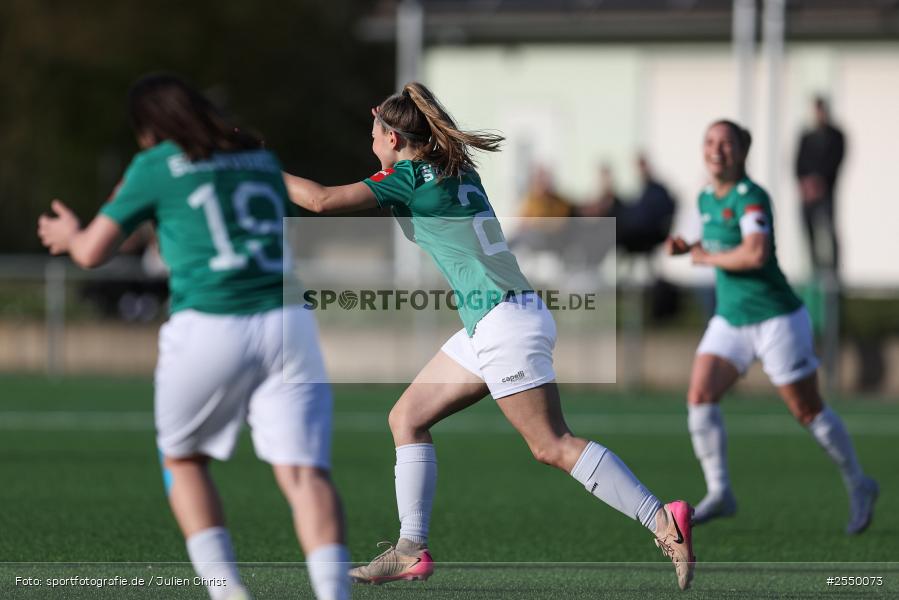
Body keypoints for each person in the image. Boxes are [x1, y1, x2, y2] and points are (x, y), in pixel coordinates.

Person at [283, 82, 696, 591]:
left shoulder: (408, 176)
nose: (370, 141)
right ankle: (410, 549)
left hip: (503, 322)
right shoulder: (457, 166)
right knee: (406, 418)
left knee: (551, 445)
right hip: (497, 319)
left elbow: (320, 202)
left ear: (392, 138)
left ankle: (661, 518)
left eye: (374, 132)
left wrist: (258, 172)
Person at [37, 74, 349, 600]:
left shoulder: (155, 165)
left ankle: (228, 593)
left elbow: (93, 252)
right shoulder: (257, 158)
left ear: (148, 128)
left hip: (210, 321)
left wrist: (69, 236)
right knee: (303, 473)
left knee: (183, 461)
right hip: (287, 323)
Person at [665, 119, 878, 534]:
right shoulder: (707, 198)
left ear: (742, 151)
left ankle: (859, 483)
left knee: (807, 410)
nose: (716, 150)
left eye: (726, 143)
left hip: (777, 319)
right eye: (710, 142)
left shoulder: (752, 197)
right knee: (700, 394)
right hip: (731, 319)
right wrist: (688, 247)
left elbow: (755, 253)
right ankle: (721, 491)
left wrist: (704, 258)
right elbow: (721, 245)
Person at [795, 96, 845, 274]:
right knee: (808, 231)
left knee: (829, 230)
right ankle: (814, 268)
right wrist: (806, 184)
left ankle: (833, 271)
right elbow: (798, 163)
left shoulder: (836, 136)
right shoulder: (807, 136)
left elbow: (836, 161)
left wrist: (820, 182)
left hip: (826, 192)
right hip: (808, 194)